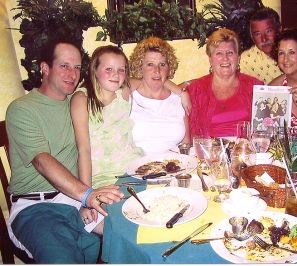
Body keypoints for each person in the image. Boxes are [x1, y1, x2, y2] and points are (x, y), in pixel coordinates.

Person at [5, 37, 124, 263]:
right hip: (37, 207)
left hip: (74, 199)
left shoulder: (78, 100)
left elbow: (126, 81)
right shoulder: (22, 109)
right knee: (63, 258)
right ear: (45, 68)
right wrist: (88, 195)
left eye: (77, 67)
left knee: (128, 231)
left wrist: (176, 87)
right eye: (64, 66)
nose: (72, 73)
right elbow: (42, 161)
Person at [70, 45, 144, 226]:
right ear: (95, 70)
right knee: (129, 222)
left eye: (121, 70)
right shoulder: (82, 99)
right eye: (108, 69)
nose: (116, 75)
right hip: (104, 179)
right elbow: (84, 150)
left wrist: (181, 91)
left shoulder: (123, 92)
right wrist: (86, 198)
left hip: (136, 171)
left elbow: (151, 80)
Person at [188, 28, 264, 138]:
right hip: (210, 152)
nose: (225, 58)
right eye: (219, 53)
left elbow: (266, 129)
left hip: (246, 151)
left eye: (230, 53)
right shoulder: (196, 90)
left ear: (238, 58)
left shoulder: (255, 87)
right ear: (210, 59)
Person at [128, 36, 190, 155]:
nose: (157, 70)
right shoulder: (129, 96)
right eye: (150, 64)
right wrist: (180, 90)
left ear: (169, 67)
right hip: (137, 168)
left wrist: (181, 93)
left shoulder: (178, 100)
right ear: (140, 67)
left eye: (162, 64)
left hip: (173, 167)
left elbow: (186, 145)